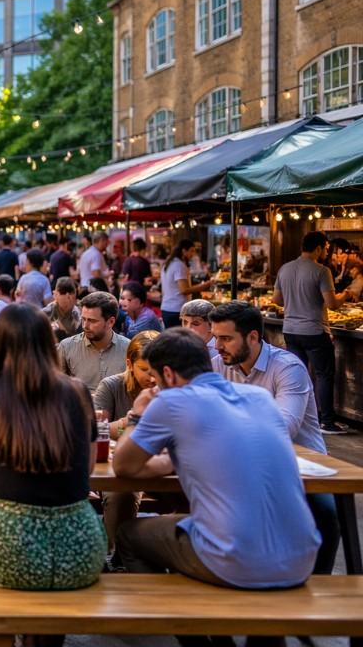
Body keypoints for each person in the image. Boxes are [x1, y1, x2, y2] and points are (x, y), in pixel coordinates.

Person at [113, 328, 321, 592]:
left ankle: (182, 624)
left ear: (168, 374)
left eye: (154, 377)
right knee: (188, 520)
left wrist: (136, 416)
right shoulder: (260, 398)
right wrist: (170, 462)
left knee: (128, 535)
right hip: (302, 557)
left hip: (235, 561)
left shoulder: (171, 401)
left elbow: (122, 465)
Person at [0, 303, 105, 593]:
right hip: (81, 548)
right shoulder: (77, 391)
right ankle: (44, 638)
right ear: (49, 343)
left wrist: (5, 460)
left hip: (10, 544)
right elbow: (86, 467)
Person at [209, 301, 339, 574]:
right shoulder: (217, 366)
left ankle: (320, 585)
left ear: (253, 337)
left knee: (327, 513)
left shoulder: (287, 367)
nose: (218, 346)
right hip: (242, 464)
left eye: (226, 338)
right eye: (215, 337)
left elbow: (283, 427)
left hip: (302, 464)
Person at [93, 330, 166, 553]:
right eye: (144, 370)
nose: (152, 378)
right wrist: (131, 421)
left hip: (163, 469)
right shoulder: (112, 386)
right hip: (120, 470)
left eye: (157, 371)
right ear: (129, 363)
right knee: (121, 495)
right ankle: (117, 557)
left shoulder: (170, 387)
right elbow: (96, 429)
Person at [274, 231, 349, 434]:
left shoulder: (285, 268)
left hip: (290, 330)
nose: (327, 252)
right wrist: (346, 295)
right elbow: (332, 305)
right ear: (318, 248)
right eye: (326, 248)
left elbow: (277, 300)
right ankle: (326, 422)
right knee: (324, 375)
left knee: (296, 375)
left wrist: (295, 298)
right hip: (314, 331)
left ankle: (296, 417)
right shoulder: (321, 271)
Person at [57, 291, 130, 392]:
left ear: (110, 322)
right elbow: (57, 389)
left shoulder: (128, 349)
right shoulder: (67, 347)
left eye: (92, 321)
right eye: (83, 319)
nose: (85, 326)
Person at [160, 239, 211, 328]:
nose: (193, 254)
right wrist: (205, 285)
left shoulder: (169, 263)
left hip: (167, 308)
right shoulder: (179, 265)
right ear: (184, 251)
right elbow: (184, 290)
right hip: (176, 309)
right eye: (191, 251)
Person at [43, 278, 82, 342]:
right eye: (63, 292)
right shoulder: (45, 314)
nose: (68, 297)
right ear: (55, 294)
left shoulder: (80, 313)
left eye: (71, 292)